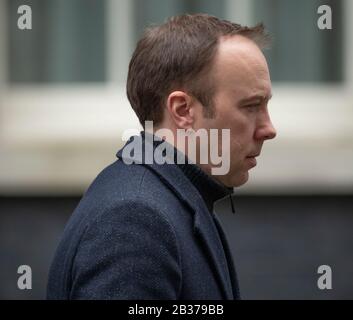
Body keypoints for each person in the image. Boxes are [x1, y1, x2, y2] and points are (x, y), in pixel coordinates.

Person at [47, 13, 276, 300]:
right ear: (182, 110)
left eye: (265, 105)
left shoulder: (174, 198)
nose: (269, 129)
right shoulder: (136, 219)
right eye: (251, 106)